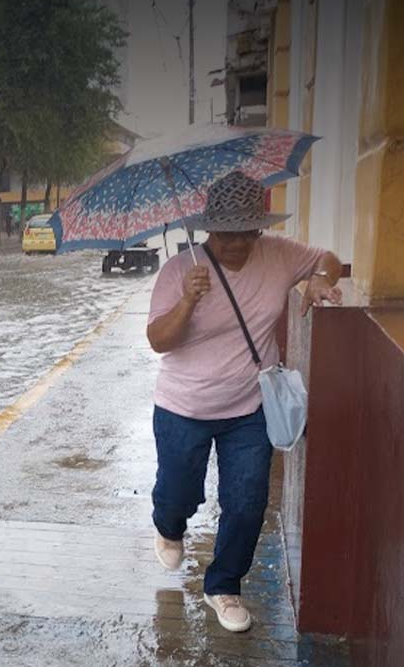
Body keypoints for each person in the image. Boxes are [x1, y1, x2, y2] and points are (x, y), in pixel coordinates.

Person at [145, 171, 342, 633]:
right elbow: (158, 340)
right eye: (226, 232)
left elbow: (328, 258)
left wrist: (318, 280)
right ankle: (169, 525)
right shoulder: (180, 270)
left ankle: (224, 586)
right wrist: (188, 302)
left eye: (246, 231)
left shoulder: (278, 254)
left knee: (248, 501)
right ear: (210, 227)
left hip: (249, 409)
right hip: (183, 408)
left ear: (260, 228)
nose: (236, 243)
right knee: (178, 493)